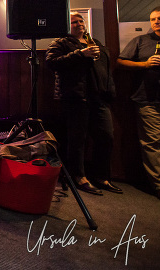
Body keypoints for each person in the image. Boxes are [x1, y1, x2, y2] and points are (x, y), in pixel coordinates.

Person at [45, 12, 120, 195]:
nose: (79, 24)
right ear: (66, 25)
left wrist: (109, 91)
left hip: (99, 97)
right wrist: (80, 53)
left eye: (81, 21)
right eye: (74, 22)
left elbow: (105, 70)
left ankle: (101, 177)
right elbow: (51, 62)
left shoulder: (95, 42)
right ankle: (79, 177)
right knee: (77, 139)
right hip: (77, 98)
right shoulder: (61, 42)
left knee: (106, 136)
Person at [117, 6, 160, 201]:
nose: (156, 22)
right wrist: (144, 64)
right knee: (154, 142)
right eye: (153, 19)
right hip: (148, 98)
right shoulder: (141, 41)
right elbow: (121, 62)